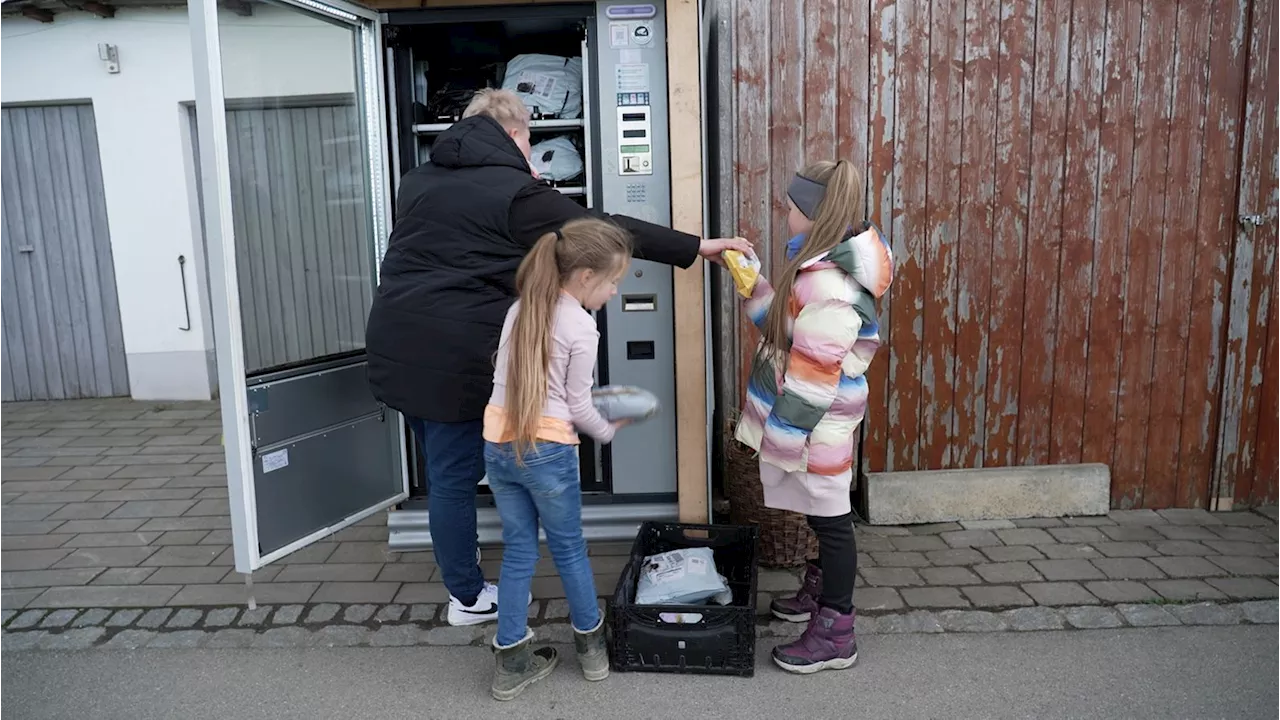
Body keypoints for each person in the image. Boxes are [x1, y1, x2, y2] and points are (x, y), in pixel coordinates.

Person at [366, 88, 751, 627]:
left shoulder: (418, 180)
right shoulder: (514, 193)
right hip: (452, 352)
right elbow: (601, 229)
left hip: (397, 337)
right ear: (516, 136)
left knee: (443, 471)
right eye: (529, 140)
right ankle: (468, 597)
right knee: (455, 476)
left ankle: (464, 566)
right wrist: (696, 247)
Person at [732, 160, 894, 674]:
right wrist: (752, 283)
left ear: (814, 213)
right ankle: (820, 594)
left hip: (815, 424)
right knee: (820, 515)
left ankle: (836, 630)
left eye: (791, 206)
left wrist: (781, 441)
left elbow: (811, 379)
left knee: (831, 520)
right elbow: (783, 330)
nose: (784, 212)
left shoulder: (830, 287)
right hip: (813, 420)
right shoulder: (816, 268)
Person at [483, 217, 630, 701]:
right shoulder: (582, 326)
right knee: (568, 548)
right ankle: (592, 652)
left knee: (520, 549)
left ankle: (512, 661)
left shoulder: (519, 309)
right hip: (548, 451)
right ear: (585, 276)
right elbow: (578, 406)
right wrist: (608, 430)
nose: (613, 292)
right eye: (612, 282)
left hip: (499, 446)